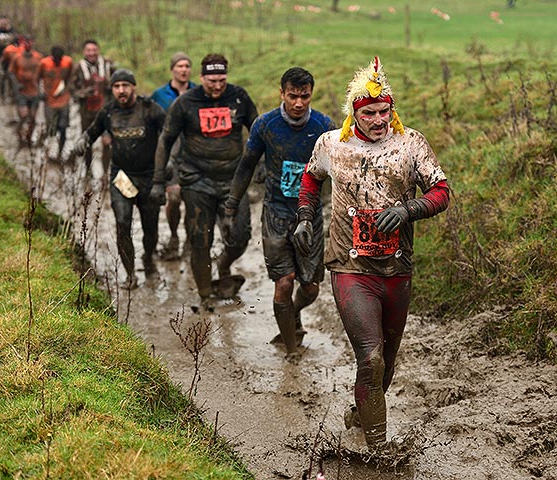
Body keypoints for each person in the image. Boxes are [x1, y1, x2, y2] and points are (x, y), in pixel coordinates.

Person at [294, 56, 449, 448]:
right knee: (371, 357)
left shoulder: (410, 144)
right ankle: (379, 451)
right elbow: (311, 178)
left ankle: (360, 412)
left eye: (385, 112)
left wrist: (407, 210)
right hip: (350, 264)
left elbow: (442, 192)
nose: (379, 120)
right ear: (355, 114)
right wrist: (305, 217)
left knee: (386, 365)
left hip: (397, 267)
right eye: (370, 114)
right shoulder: (332, 143)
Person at [224, 67, 336, 359]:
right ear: (281, 94)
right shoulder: (266, 125)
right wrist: (231, 204)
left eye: (305, 96)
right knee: (283, 283)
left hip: (310, 217)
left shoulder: (325, 127)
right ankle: (290, 349)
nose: (298, 103)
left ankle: (294, 314)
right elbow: (247, 165)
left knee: (310, 288)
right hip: (275, 213)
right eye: (292, 96)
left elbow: (341, 171)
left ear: (311, 94)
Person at [149, 53, 258, 308]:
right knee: (200, 239)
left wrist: (261, 164)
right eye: (212, 81)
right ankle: (206, 293)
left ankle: (224, 264)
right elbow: (165, 141)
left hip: (234, 180)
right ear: (201, 78)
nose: (217, 86)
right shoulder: (186, 103)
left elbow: (258, 131)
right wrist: (157, 180)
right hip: (197, 180)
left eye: (222, 80)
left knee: (241, 236)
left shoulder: (239, 97)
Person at [68, 69, 166, 288]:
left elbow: (169, 135)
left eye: (125, 86)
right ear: (112, 89)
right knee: (122, 223)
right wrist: (82, 141)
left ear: (134, 87)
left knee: (151, 230)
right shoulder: (108, 111)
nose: (121, 91)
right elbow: (92, 131)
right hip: (122, 177)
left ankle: (148, 260)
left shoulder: (150, 109)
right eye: (117, 86)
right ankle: (130, 274)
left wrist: (169, 168)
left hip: (149, 177)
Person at [151, 51, 195, 261]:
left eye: (187, 66)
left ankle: (189, 241)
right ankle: (174, 235)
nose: (183, 70)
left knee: (193, 200)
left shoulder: (198, 91)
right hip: (171, 155)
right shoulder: (159, 95)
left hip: (195, 155)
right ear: (172, 69)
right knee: (175, 197)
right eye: (179, 66)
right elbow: (151, 124)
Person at [71, 39, 114, 174]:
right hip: (87, 111)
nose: (91, 53)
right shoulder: (79, 67)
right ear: (84, 52)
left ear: (98, 51)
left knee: (107, 143)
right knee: (87, 141)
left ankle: (105, 175)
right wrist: (83, 93)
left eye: (94, 50)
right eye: (88, 50)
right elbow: (71, 89)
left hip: (105, 110)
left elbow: (117, 84)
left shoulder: (107, 65)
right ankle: (88, 170)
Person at [37, 46, 73, 160]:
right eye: (55, 59)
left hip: (64, 99)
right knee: (52, 128)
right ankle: (46, 150)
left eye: (59, 59)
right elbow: (37, 78)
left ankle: (59, 154)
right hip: (49, 100)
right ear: (51, 56)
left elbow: (71, 77)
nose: (58, 61)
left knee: (63, 127)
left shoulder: (68, 62)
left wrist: (67, 88)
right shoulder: (44, 63)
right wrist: (40, 92)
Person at [8, 35, 42, 146]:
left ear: (33, 43)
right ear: (23, 44)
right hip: (22, 92)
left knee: (33, 117)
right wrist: (16, 84)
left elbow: (44, 73)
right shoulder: (17, 57)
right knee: (23, 115)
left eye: (30, 42)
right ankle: (19, 136)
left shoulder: (38, 57)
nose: (28, 44)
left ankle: (29, 137)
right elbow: (10, 72)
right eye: (26, 42)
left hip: (34, 91)